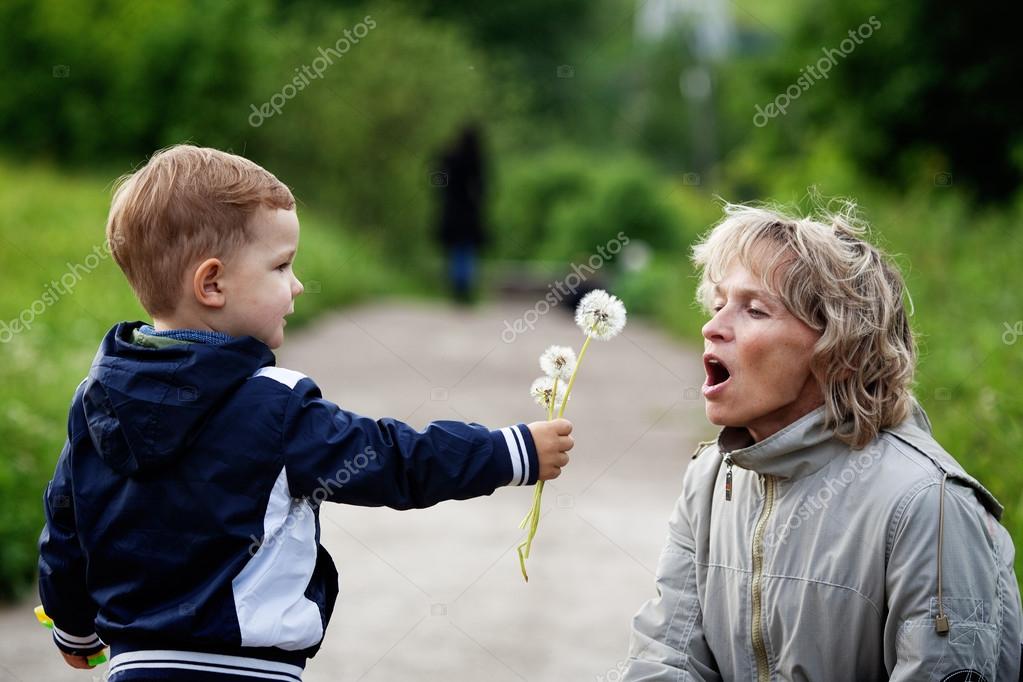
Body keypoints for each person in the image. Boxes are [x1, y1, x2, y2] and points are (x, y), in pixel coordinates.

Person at [37, 145, 574, 681]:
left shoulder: (95, 402)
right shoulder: (276, 404)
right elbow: (393, 460)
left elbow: (67, 524)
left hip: (133, 666)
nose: (296, 284)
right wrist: (509, 452)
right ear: (212, 284)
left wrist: (74, 628)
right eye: (281, 266)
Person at [624, 203, 1022, 680]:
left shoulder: (928, 505)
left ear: (840, 350)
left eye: (754, 310)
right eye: (718, 304)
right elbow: (665, 657)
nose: (712, 327)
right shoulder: (710, 479)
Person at [435, 124, 488, 303]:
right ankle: (465, 286)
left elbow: (438, 182)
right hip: (469, 213)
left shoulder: (450, 157)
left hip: (452, 211)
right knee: (466, 250)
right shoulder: (477, 159)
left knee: (456, 251)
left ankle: (457, 286)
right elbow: (483, 187)